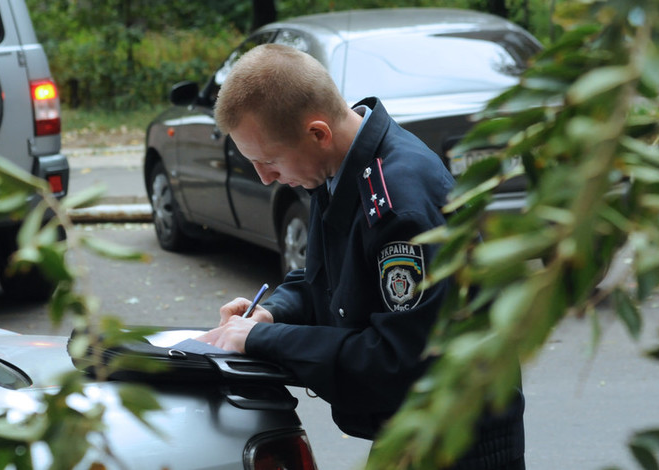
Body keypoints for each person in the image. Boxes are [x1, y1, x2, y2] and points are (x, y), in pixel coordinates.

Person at [195, 43, 525, 469]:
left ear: (317, 133)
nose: (265, 178)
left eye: (270, 160)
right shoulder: (336, 170)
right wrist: (270, 315)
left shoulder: (397, 202)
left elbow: (397, 358)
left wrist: (262, 341)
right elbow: (329, 282)